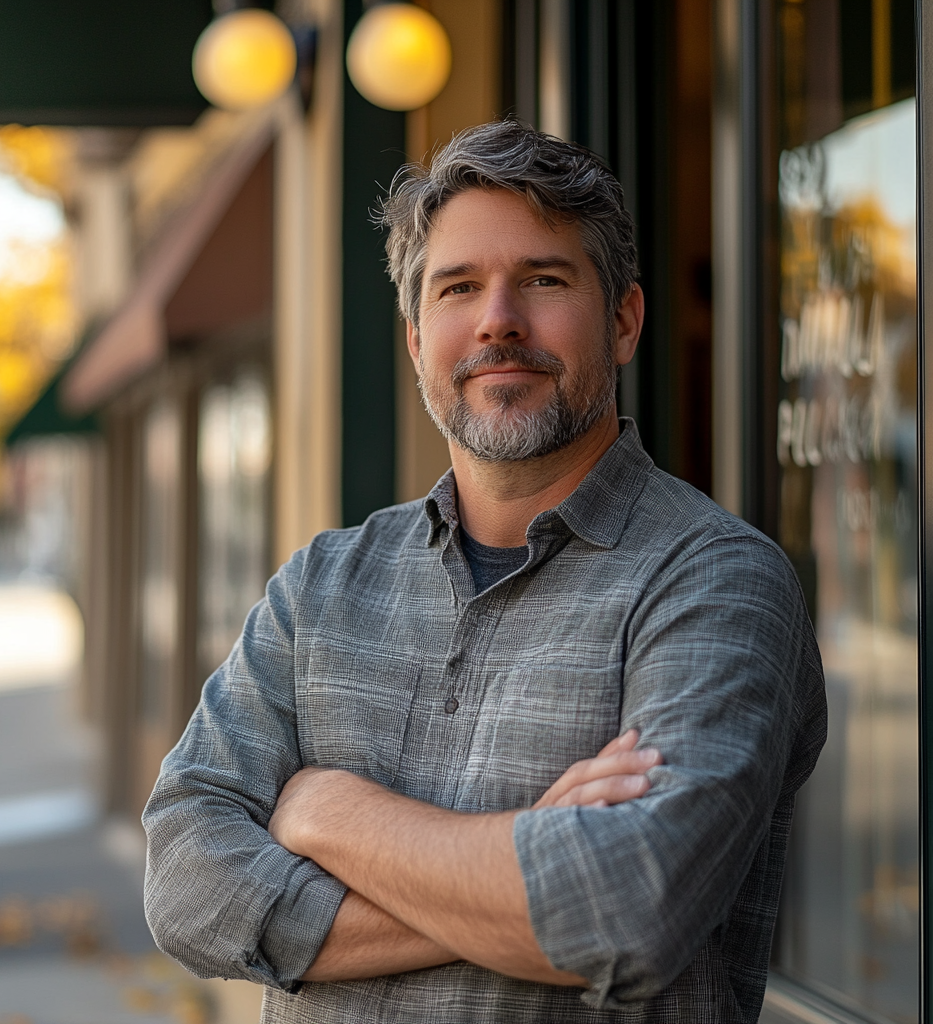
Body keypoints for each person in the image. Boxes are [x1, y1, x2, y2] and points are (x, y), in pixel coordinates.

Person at [143, 120, 826, 1024]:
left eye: (543, 280)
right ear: (419, 338)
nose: (499, 319)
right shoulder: (321, 587)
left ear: (623, 321)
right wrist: (525, 858)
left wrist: (329, 816)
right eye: (459, 287)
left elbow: (626, 910)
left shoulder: (717, 581)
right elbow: (187, 884)